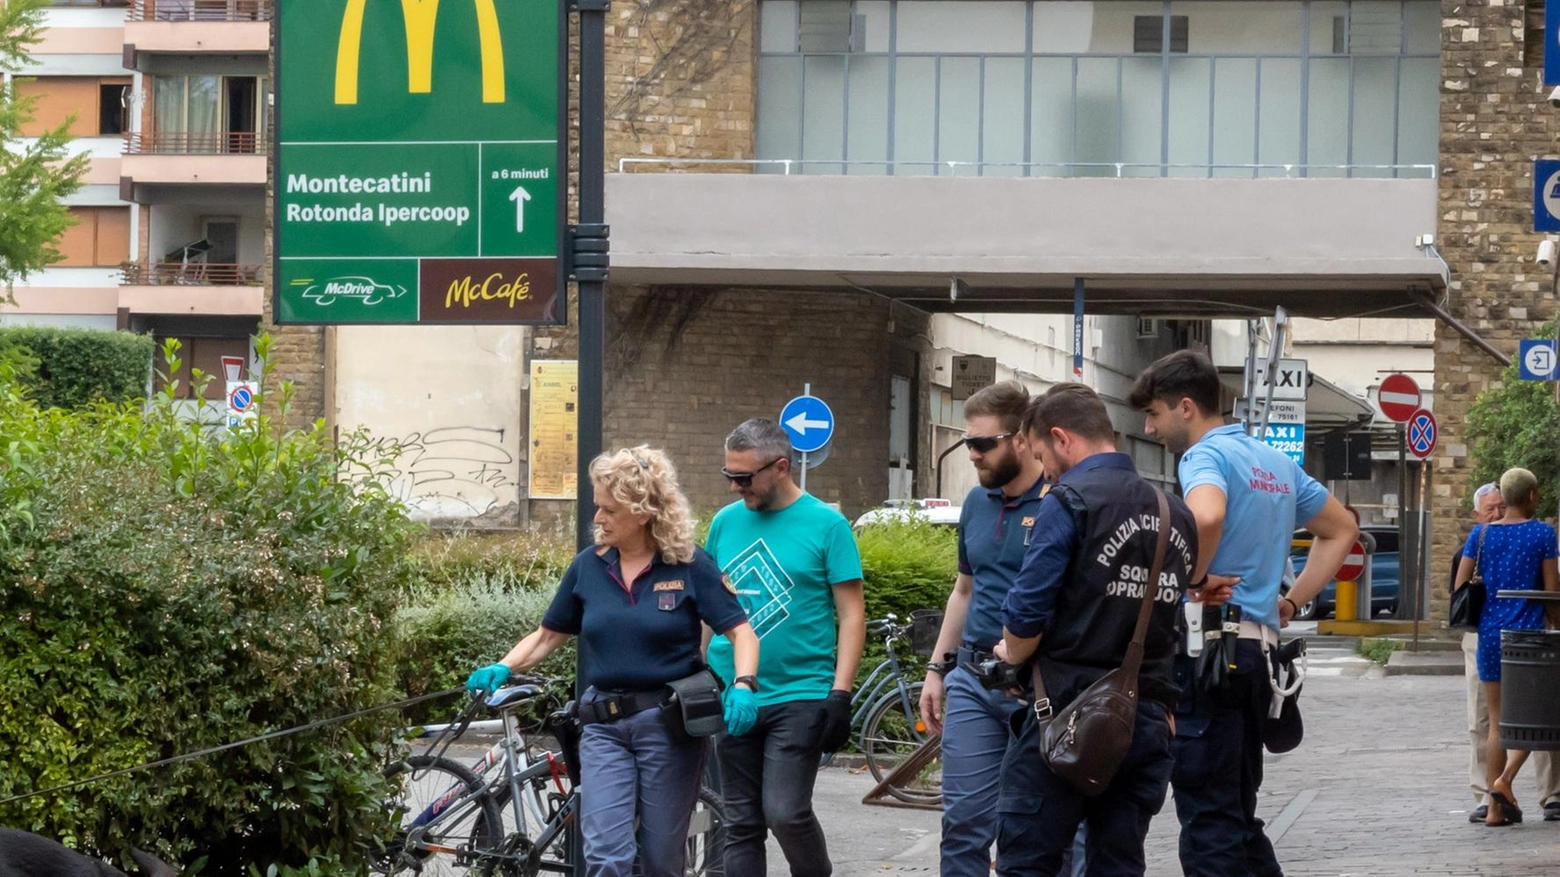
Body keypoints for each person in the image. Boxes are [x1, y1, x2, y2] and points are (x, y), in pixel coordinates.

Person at [464, 447, 760, 877]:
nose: (597, 519)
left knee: (660, 859)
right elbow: (549, 634)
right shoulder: (589, 566)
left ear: (642, 512)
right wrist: (504, 667)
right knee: (604, 854)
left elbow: (741, 632)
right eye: (598, 507)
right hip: (603, 727)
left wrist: (745, 684)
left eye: (609, 510)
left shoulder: (688, 564)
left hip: (667, 727)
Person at [1128, 350, 1356, 877]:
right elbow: (1342, 528)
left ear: (1186, 407)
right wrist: (1292, 601)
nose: (1149, 426)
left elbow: (1207, 513)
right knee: (1235, 814)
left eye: (1155, 414)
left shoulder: (1203, 458)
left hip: (1209, 654)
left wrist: (1192, 580)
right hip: (1257, 656)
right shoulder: (1273, 461)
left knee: (1209, 822)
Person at [992, 383, 1197, 877]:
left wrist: (1008, 654)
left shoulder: (1069, 501)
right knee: (1118, 864)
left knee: (1027, 864)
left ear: (1062, 439)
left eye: (1042, 455)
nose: (1045, 470)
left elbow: (1025, 615)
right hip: (1144, 720)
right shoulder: (1176, 511)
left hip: (1063, 716)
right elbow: (1173, 616)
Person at [705, 418, 866, 877]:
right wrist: (699, 671)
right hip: (734, 693)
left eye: (744, 477)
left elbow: (852, 615)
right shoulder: (724, 523)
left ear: (780, 467)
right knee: (740, 822)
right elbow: (709, 607)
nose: (736, 488)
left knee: (785, 812)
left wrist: (840, 693)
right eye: (728, 477)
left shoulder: (827, 525)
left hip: (800, 693)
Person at [917, 381, 1046, 876]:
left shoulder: (1057, 501)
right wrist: (936, 669)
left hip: (1034, 682)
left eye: (982, 444)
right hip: (973, 676)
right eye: (967, 443)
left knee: (1032, 826)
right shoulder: (976, 502)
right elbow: (964, 590)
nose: (971, 454)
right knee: (964, 821)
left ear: (1020, 438)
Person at [1452, 467, 1560, 827]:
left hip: (1490, 633)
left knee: (1497, 721)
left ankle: (1495, 809)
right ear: (1530, 496)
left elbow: (1461, 583)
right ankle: (1505, 781)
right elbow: (1550, 592)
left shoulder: (1480, 534)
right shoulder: (1543, 534)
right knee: (1539, 717)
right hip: (1527, 635)